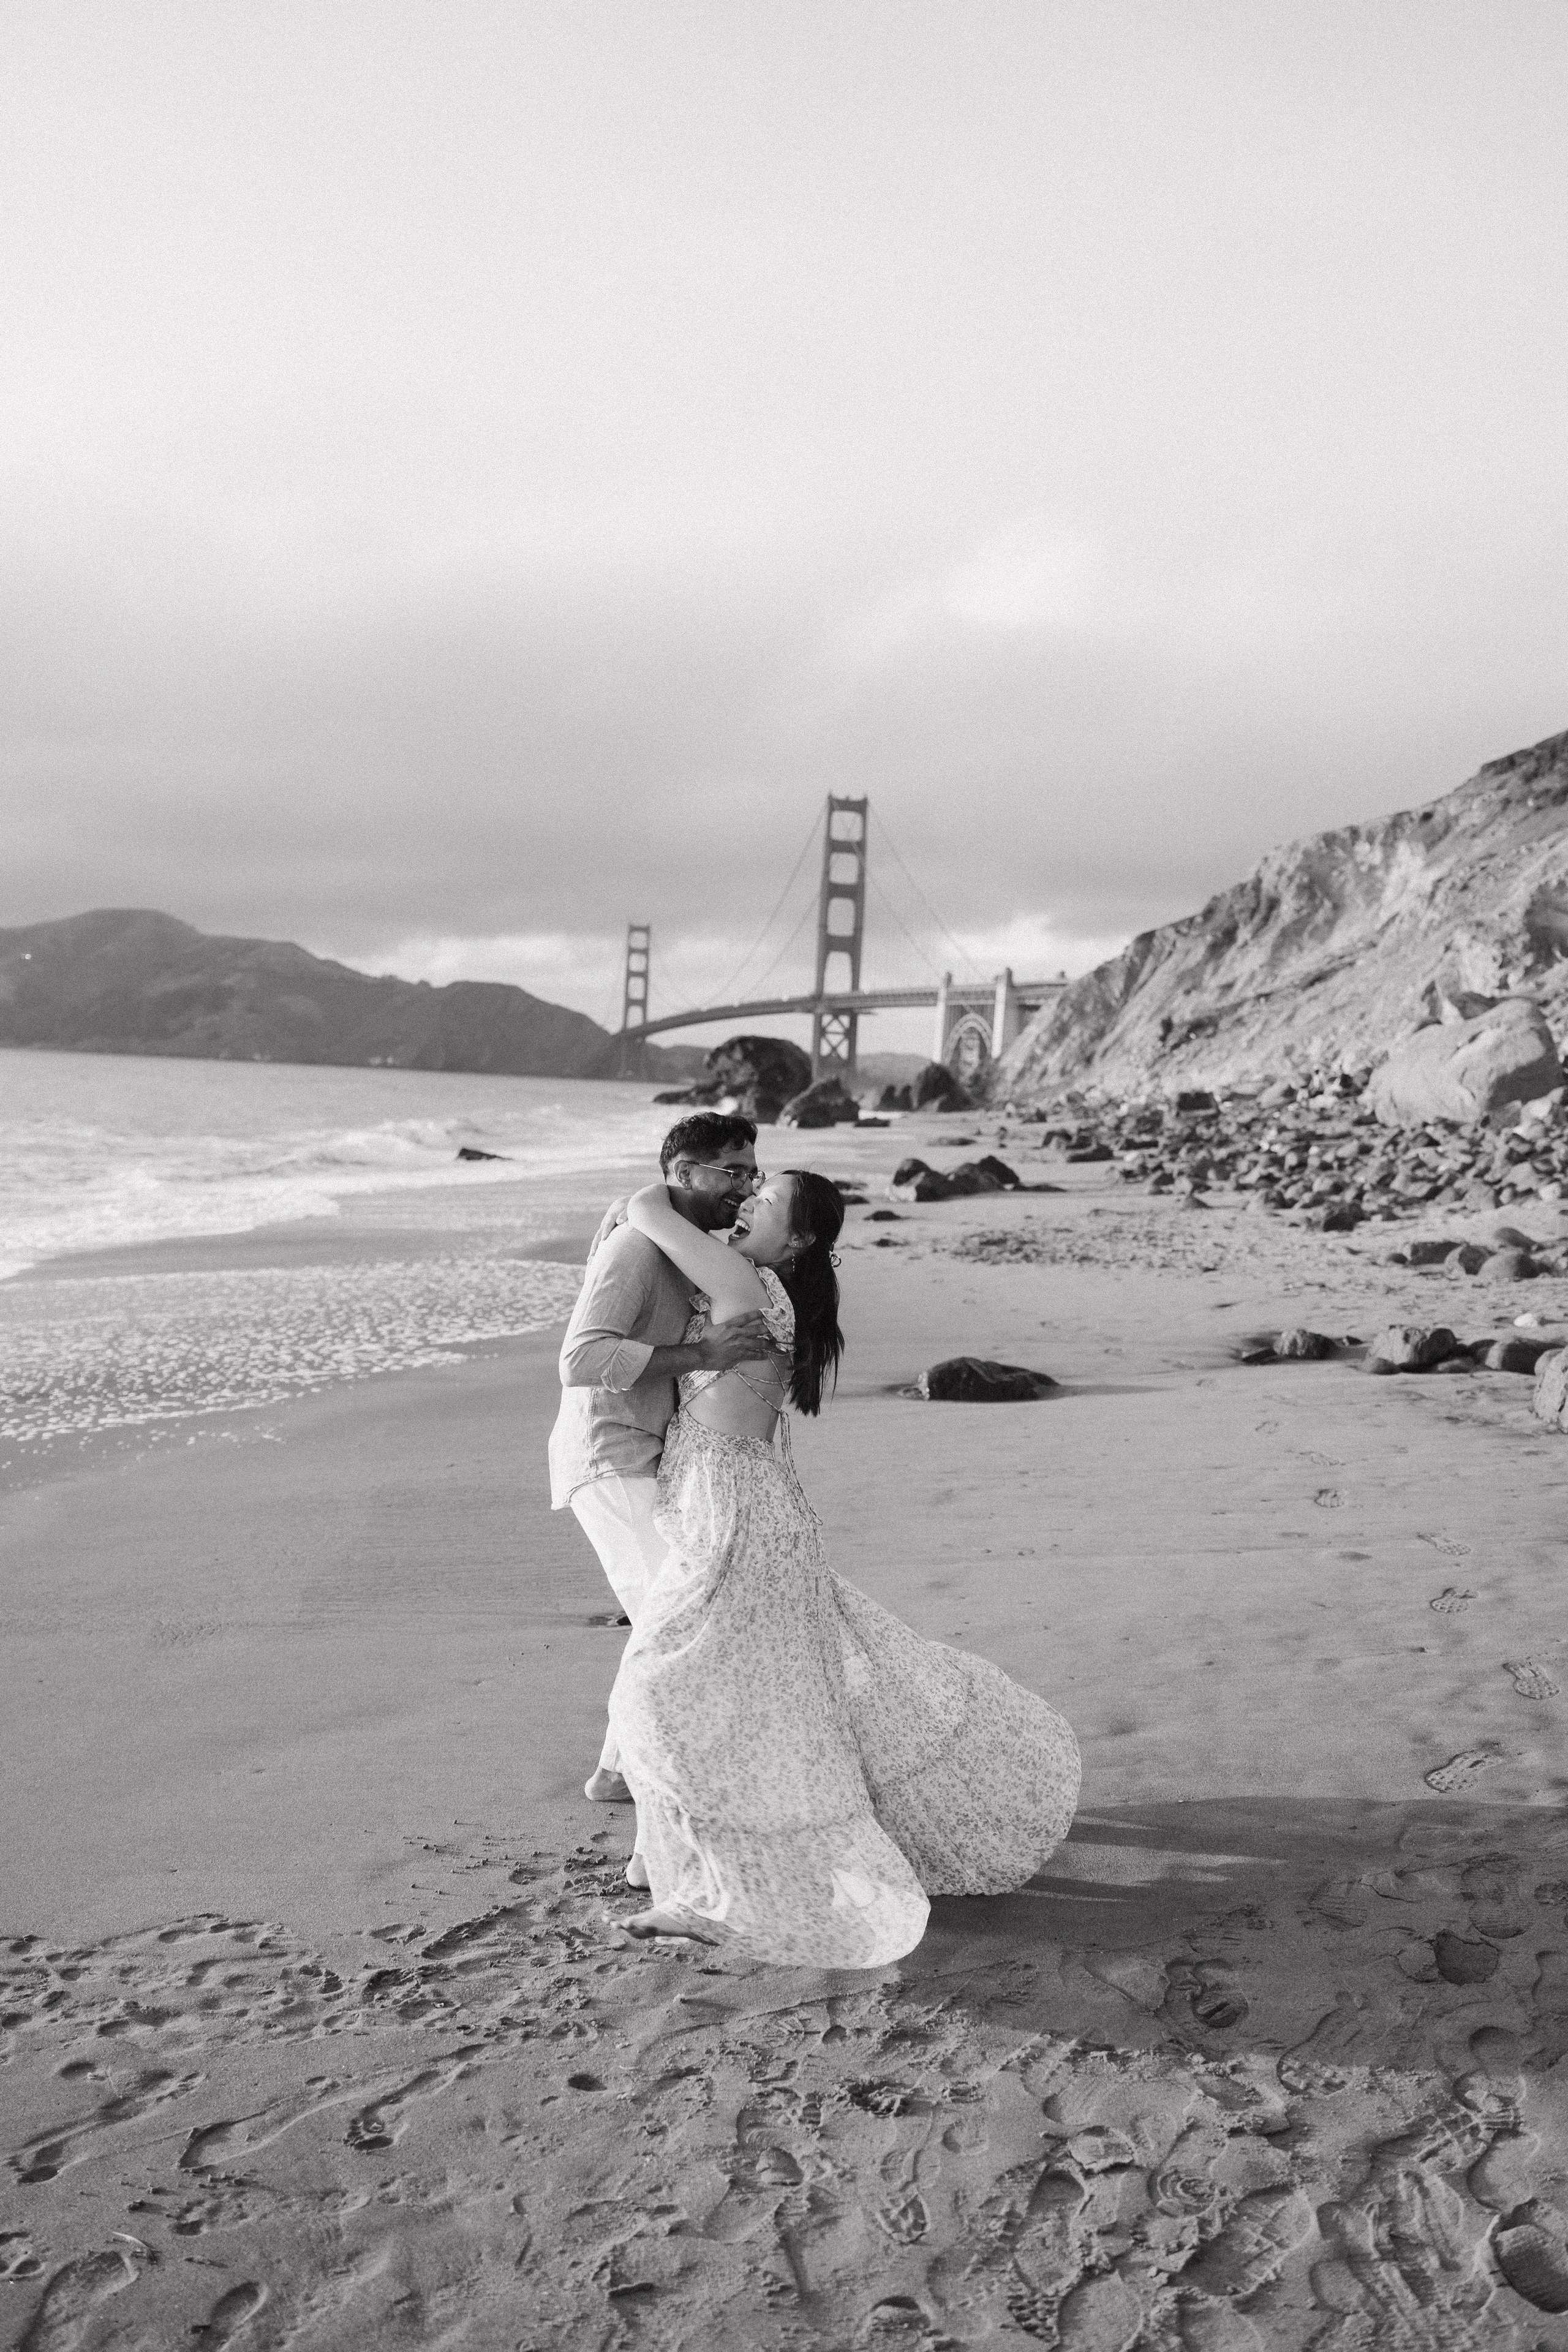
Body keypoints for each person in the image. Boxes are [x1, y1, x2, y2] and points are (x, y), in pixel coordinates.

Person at [605, 1167, 1080, 1968]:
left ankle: (697, 1888)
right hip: (753, 1522)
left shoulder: (748, 1287)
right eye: (748, 1188)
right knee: (737, 1697)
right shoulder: (760, 1286)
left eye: (763, 1198)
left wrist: (675, 1194)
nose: (748, 1200)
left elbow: (648, 1209)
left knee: (656, 1689)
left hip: (740, 1533)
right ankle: (671, 1867)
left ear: (794, 1241)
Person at [549, 1113, 774, 1801]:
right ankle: (655, 1789)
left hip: (650, 1453)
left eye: (751, 1173)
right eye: (732, 1172)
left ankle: (618, 1771)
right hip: (608, 1455)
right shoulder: (636, 1250)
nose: (744, 1186)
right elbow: (580, 1360)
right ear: (683, 1173)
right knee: (673, 1626)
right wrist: (703, 1355)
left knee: (667, 1623)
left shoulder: (670, 1240)